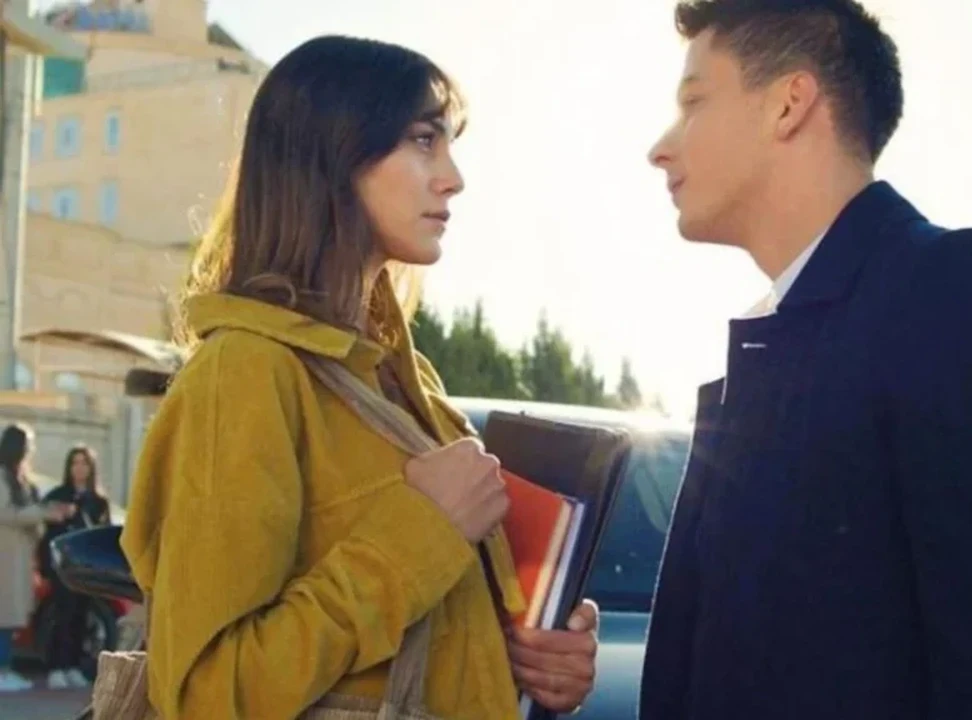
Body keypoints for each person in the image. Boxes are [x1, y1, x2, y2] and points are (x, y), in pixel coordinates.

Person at [640, 1, 972, 717]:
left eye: (693, 102)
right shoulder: (776, 341)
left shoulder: (953, 290)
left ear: (789, 103)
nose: (661, 148)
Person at [120, 35, 597, 719]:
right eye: (424, 140)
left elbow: (411, 646)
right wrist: (422, 533)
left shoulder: (407, 384)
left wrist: (536, 661)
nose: (453, 177)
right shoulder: (245, 376)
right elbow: (206, 696)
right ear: (334, 154)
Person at [0, 424, 74, 693]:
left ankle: (6, 669)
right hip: (6, 557)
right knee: (5, 617)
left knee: (11, 619)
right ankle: (2, 671)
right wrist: (42, 513)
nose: (31, 449)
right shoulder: (2, 478)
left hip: (20, 557)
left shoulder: (21, 479)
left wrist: (46, 512)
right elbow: (6, 513)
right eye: (28, 444)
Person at [38, 445, 111, 689]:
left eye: (84, 463)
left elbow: (104, 533)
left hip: (87, 569)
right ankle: (56, 667)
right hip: (62, 567)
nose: (79, 468)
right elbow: (46, 534)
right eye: (75, 463)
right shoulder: (58, 496)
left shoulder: (98, 501)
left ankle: (73, 666)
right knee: (62, 615)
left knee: (81, 615)